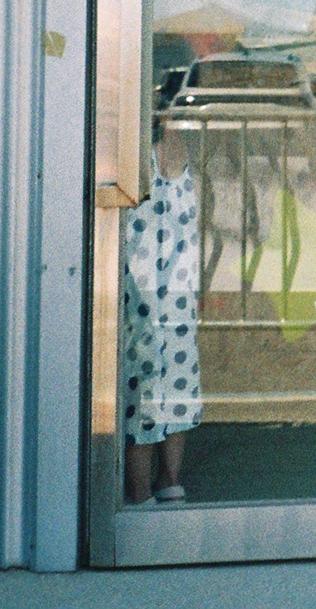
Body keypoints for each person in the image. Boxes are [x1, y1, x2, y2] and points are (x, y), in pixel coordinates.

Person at [121, 111, 204, 504]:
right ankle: (169, 479)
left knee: (141, 383)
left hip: (139, 285)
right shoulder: (178, 153)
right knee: (179, 376)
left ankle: (138, 489)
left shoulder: (135, 152)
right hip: (179, 285)